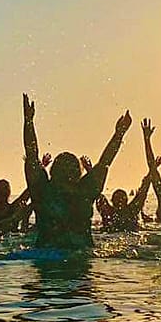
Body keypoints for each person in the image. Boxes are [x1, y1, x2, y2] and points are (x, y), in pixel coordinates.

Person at [23, 93, 132, 248]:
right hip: (63, 258)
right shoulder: (47, 190)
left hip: (55, 258)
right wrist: (28, 122)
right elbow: (31, 156)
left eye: (70, 168)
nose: (67, 172)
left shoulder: (79, 191)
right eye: (64, 168)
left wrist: (119, 134)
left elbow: (104, 163)